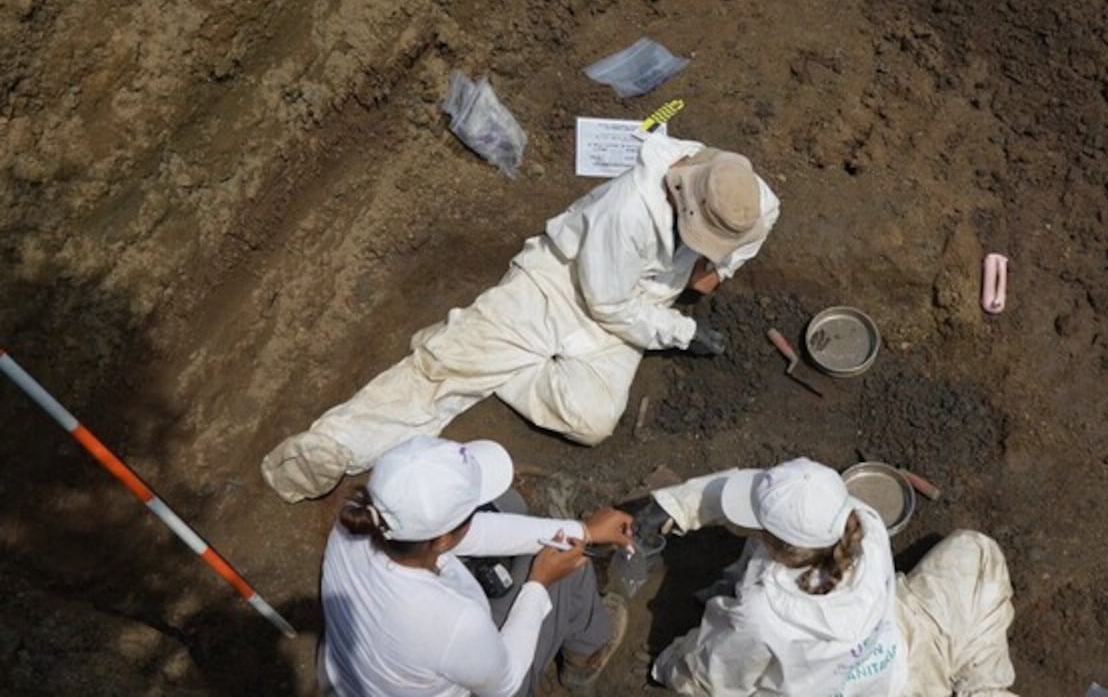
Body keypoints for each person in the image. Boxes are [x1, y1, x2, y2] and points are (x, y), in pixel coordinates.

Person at [262, 132, 780, 502]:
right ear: (683, 192)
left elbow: (734, 252)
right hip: (560, 284)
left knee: (592, 421)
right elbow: (607, 304)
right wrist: (681, 331)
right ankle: (328, 448)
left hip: (636, 308)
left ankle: (481, 347)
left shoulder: (752, 202)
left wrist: (714, 268)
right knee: (443, 373)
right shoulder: (629, 209)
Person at [639, 458, 1019, 697]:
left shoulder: (762, 612)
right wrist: (677, 503)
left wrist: (669, 665)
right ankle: (983, 687)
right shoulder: (862, 520)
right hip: (901, 653)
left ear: (772, 542)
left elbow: (718, 675)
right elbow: (773, 492)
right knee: (975, 551)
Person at [319, 435, 634, 696]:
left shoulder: (358, 520)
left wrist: (585, 531)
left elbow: (475, 533)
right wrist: (539, 583)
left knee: (508, 503)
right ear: (441, 540)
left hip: (357, 678)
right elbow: (505, 684)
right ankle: (582, 660)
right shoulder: (453, 621)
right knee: (570, 570)